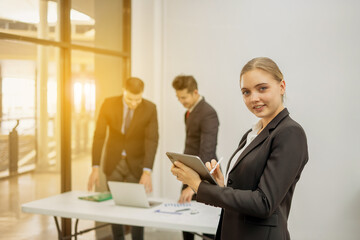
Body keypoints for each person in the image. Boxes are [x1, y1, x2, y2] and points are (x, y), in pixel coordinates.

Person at [171, 57, 308, 240]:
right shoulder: (252, 133)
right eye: (246, 92)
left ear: (282, 86)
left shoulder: (290, 133)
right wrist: (221, 186)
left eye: (262, 88)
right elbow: (247, 190)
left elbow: (264, 203)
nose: (254, 98)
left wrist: (197, 185)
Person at [88, 77, 159, 240]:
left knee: (137, 207)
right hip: (114, 163)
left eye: (137, 99)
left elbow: (152, 140)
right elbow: (99, 136)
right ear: (123, 91)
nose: (134, 103)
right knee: (115, 206)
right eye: (129, 99)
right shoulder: (108, 103)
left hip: (137, 164)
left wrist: (147, 171)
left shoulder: (150, 108)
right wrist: (95, 167)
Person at [172, 75, 219, 240]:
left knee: (207, 226)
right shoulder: (188, 113)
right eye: (178, 97)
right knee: (186, 221)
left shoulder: (208, 113)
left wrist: (193, 185)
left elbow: (207, 152)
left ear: (195, 92)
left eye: (184, 97)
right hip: (188, 174)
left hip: (205, 177)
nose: (181, 101)